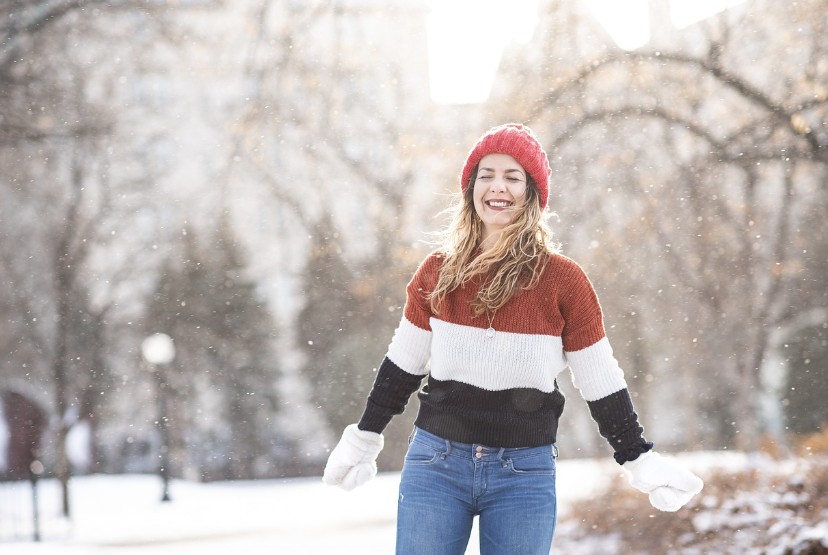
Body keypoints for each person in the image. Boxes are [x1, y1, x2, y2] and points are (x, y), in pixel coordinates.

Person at [322, 123, 703, 554]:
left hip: (524, 472)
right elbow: (403, 364)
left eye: (512, 176)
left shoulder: (564, 281)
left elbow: (600, 379)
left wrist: (637, 456)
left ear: (532, 193)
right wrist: (364, 437)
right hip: (436, 464)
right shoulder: (437, 273)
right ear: (470, 189)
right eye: (486, 175)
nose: (497, 187)